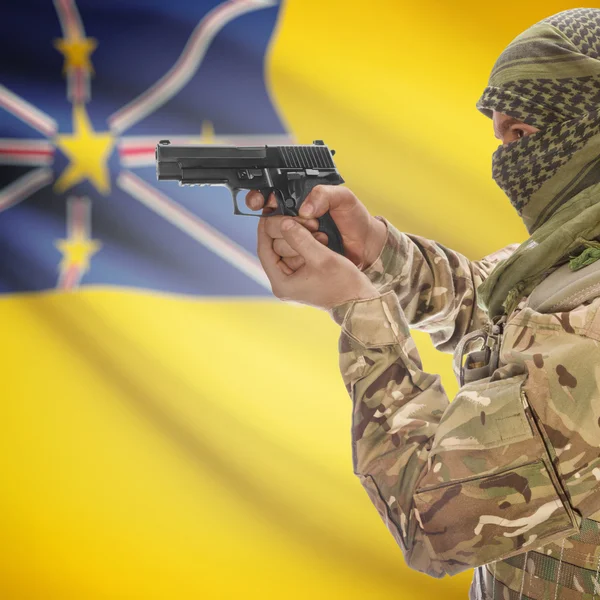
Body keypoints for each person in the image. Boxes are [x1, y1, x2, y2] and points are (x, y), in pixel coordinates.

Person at [247, 8, 600, 599]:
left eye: (522, 134)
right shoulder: (577, 253)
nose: (505, 161)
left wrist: (359, 309)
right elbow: (502, 309)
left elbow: (432, 520)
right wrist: (378, 250)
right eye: (500, 135)